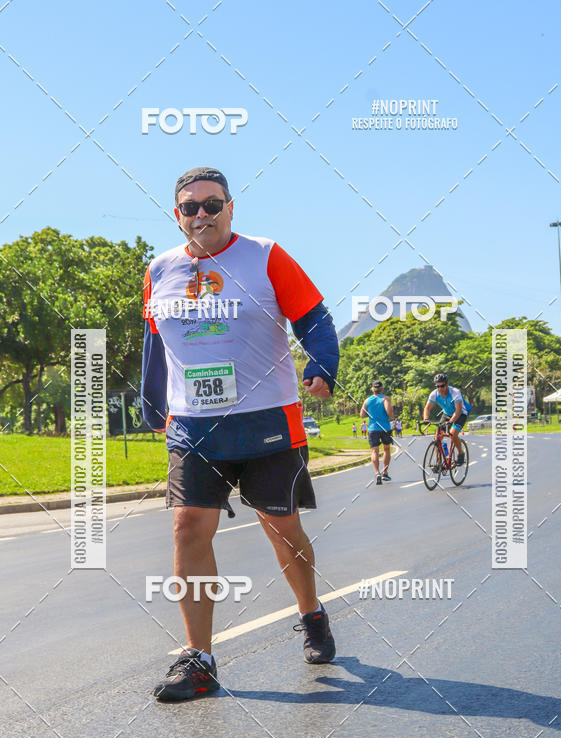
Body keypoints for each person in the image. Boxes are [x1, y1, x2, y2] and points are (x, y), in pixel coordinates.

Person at [142, 166, 339, 701]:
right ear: (177, 215)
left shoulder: (265, 255)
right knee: (187, 528)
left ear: (231, 207)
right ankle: (199, 659)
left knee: (282, 531)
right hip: (193, 425)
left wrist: (322, 364)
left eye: (212, 204)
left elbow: (315, 318)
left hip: (267, 418)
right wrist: (149, 399)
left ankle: (311, 612)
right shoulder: (159, 269)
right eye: (190, 207)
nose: (201, 214)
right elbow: (155, 340)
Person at [422, 373, 471, 465]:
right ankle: (439, 462)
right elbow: (427, 408)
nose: (440, 388)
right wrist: (426, 419)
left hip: (460, 414)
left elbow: (458, 410)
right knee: (437, 437)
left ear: (447, 384)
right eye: (438, 386)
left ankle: (461, 453)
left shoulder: (455, 392)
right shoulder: (434, 394)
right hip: (447, 414)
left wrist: (451, 422)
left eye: (442, 386)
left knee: (453, 433)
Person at [360, 381, 394, 484]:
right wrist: (391, 416)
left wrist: (371, 415)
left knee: (374, 451)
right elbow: (390, 413)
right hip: (385, 428)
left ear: (372, 390)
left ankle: (377, 473)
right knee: (386, 449)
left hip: (372, 428)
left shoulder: (367, 400)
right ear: (382, 389)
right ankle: (385, 472)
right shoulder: (385, 399)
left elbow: (361, 415)